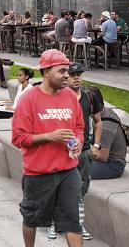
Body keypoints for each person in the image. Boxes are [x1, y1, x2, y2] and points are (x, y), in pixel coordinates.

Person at [12, 49, 85, 247]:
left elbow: (79, 127)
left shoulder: (70, 96)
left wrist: (78, 141)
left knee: (73, 223)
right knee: (31, 218)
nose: (67, 76)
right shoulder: (29, 99)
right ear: (46, 72)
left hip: (69, 171)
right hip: (38, 173)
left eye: (67, 71)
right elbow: (18, 138)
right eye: (62, 71)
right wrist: (48, 137)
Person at [48, 62, 103, 241]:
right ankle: (54, 224)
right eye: (72, 74)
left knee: (81, 189)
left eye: (79, 74)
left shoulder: (89, 96)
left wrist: (96, 145)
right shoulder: (57, 97)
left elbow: (97, 122)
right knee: (57, 187)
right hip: (61, 152)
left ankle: (78, 225)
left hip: (84, 151)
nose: (76, 77)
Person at [91, 106, 128, 180]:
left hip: (112, 165)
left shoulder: (105, 127)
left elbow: (102, 157)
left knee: (75, 170)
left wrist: (81, 156)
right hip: (107, 159)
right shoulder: (104, 112)